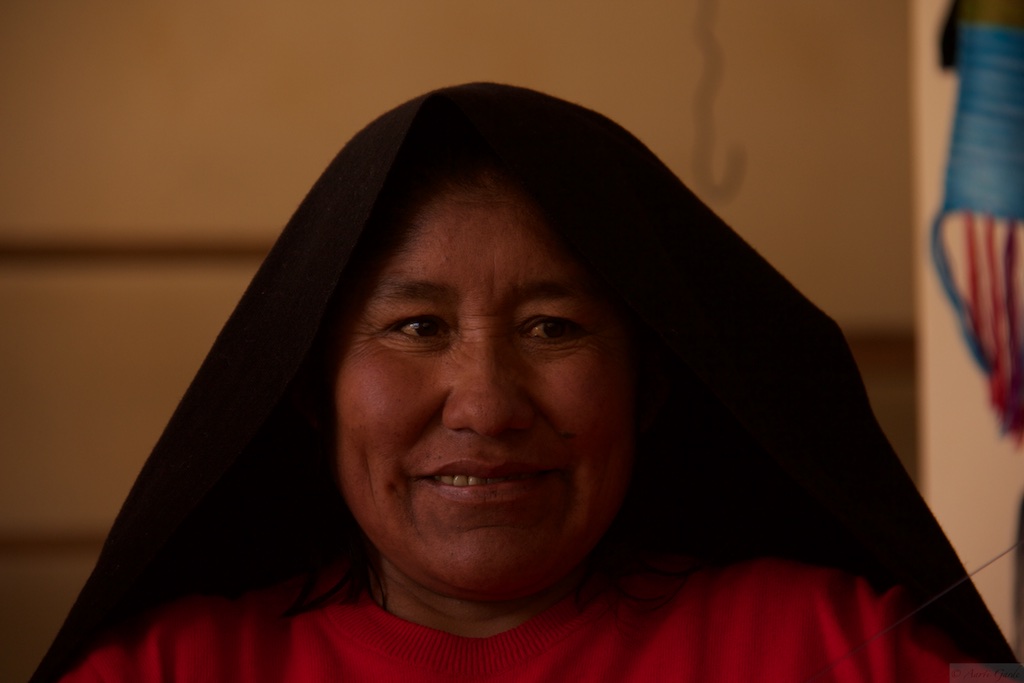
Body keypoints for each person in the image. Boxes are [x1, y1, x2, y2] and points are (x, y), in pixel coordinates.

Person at [32, 83, 1013, 682]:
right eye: (417, 326)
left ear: (647, 385)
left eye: (553, 327)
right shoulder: (165, 669)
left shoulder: (850, 645)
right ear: (307, 386)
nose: (487, 403)